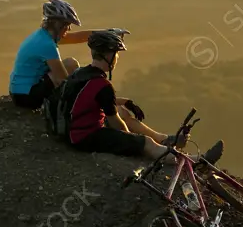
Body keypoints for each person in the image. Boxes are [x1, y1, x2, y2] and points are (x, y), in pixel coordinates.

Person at [64, 30, 188, 160]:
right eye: (116, 53)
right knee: (147, 143)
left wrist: (125, 102)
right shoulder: (102, 85)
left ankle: (168, 145)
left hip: (71, 133)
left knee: (123, 114)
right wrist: (134, 141)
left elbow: (90, 100)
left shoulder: (80, 74)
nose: (117, 57)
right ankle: (192, 162)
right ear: (108, 55)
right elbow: (116, 123)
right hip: (85, 137)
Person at [9, 0, 128, 110]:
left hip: (20, 91)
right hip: (26, 97)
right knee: (72, 72)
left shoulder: (44, 35)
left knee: (71, 65)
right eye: (67, 25)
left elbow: (77, 37)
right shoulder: (47, 45)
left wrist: (109, 33)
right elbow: (64, 81)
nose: (69, 28)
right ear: (57, 24)